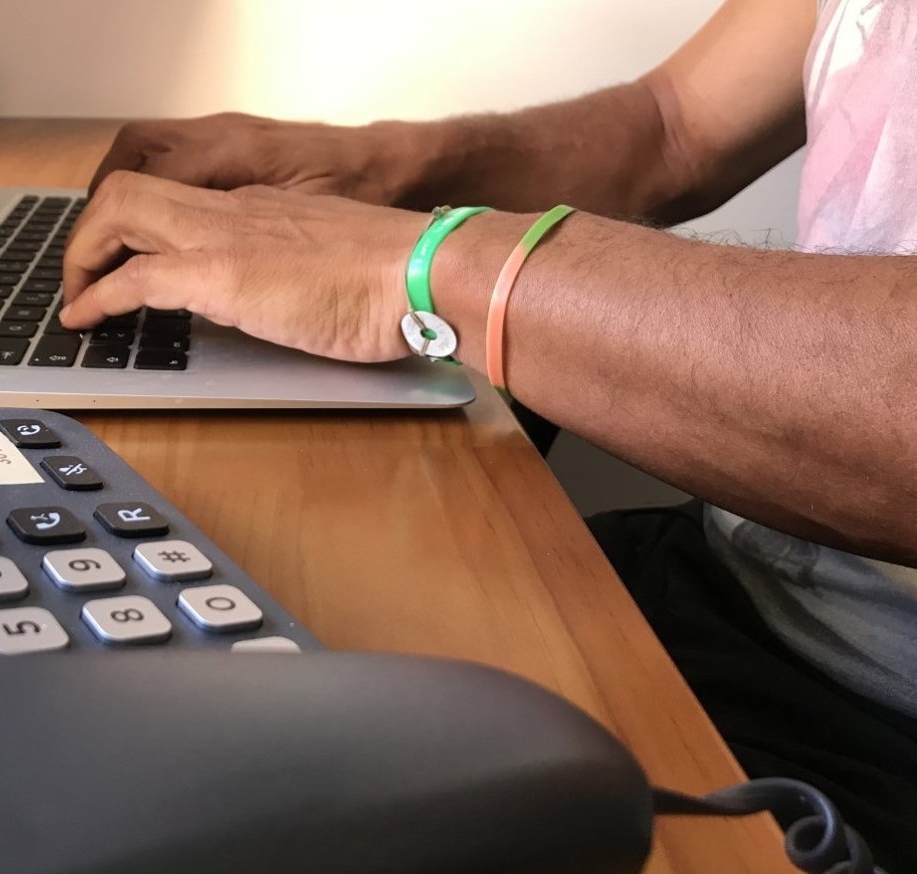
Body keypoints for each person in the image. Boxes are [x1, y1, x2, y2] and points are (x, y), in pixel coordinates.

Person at [61, 0, 917, 866]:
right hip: (728, 580)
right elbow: (675, 125)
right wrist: (373, 165)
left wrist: (424, 265)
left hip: (876, 729)